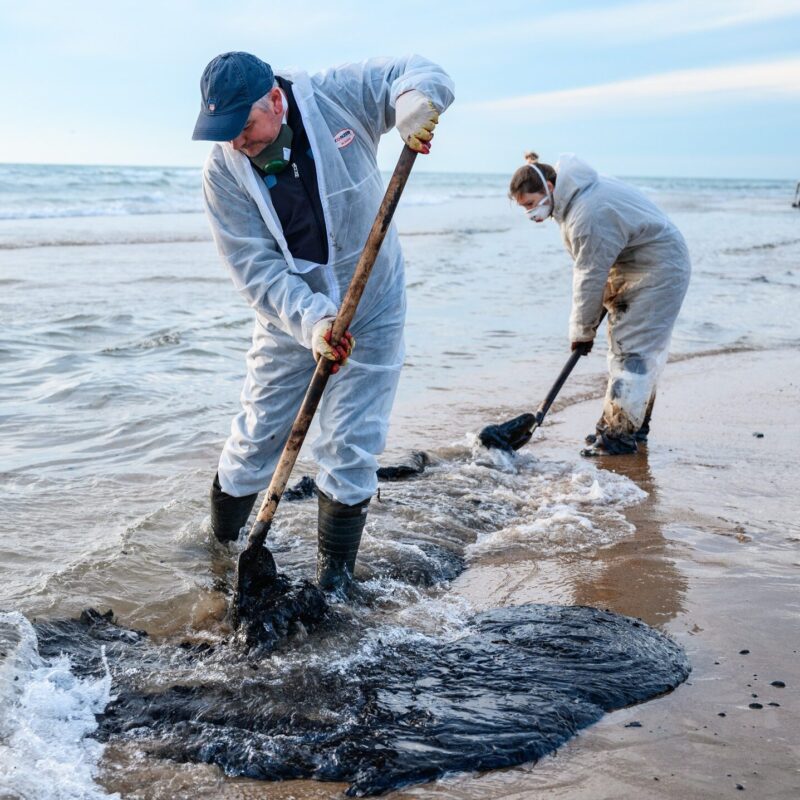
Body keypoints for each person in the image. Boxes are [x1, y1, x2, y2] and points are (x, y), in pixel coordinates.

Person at [193, 52, 454, 589]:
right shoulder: (223, 170)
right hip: (289, 314)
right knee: (255, 440)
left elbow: (413, 72)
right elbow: (254, 269)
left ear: (274, 99)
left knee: (350, 445)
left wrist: (412, 103)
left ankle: (335, 585)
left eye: (245, 127)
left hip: (373, 302)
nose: (238, 142)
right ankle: (219, 558)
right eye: (225, 132)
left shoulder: (335, 96)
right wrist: (313, 321)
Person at [508, 155, 690, 455]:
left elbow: (589, 276)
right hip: (634, 261)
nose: (529, 213)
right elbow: (597, 265)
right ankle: (629, 429)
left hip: (659, 268)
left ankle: (618, 437)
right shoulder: (576, 196)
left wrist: (581, 331)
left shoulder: (586, 214)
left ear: (549, 187)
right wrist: (589, 323)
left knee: (632, 351)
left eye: (530, 204)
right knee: (629, 349)